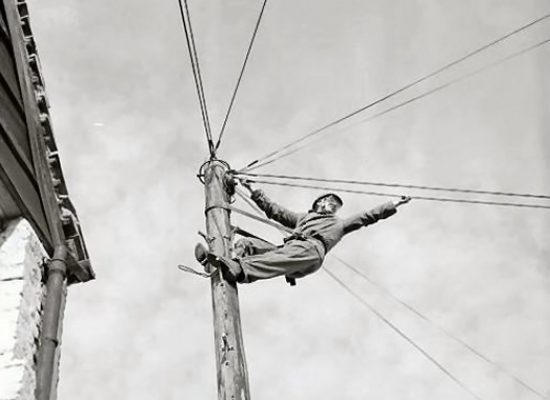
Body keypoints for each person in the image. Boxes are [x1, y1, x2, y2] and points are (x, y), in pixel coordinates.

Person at [195, 180, 411, 284]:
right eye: (328, 201)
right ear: (318, 203)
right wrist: (252, 189)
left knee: (281, 255)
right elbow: (275, 210)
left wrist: (394, 203)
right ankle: (222, 263)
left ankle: (239, 269)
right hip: (290, 249)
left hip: (311, 251)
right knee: (249, 244)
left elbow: (368, 216)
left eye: (334, 204)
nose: (331, 205)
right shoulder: (302, 218)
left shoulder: (339, 224)